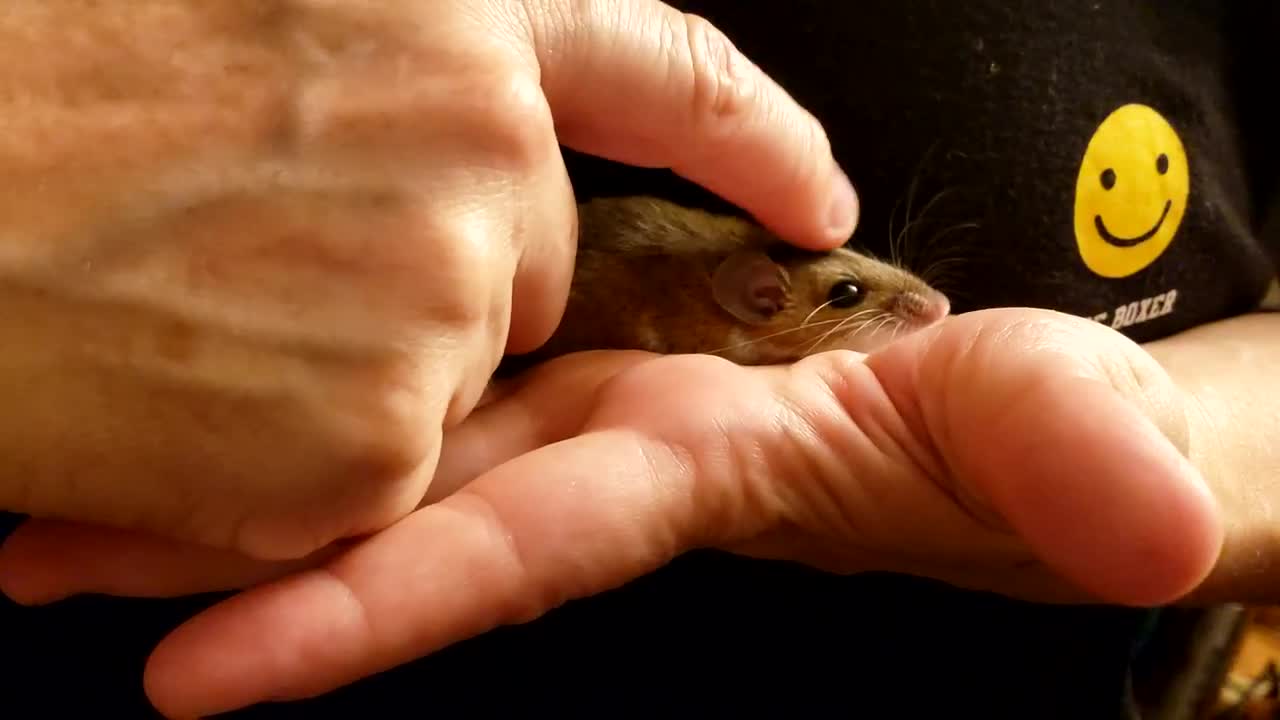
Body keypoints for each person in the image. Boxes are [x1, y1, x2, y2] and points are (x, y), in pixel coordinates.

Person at [0, 0, 1276, 717]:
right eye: (848, 294)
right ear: (758, 297)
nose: (909, 304)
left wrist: (1174, 429)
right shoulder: (709, 301)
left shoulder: (757, 301)